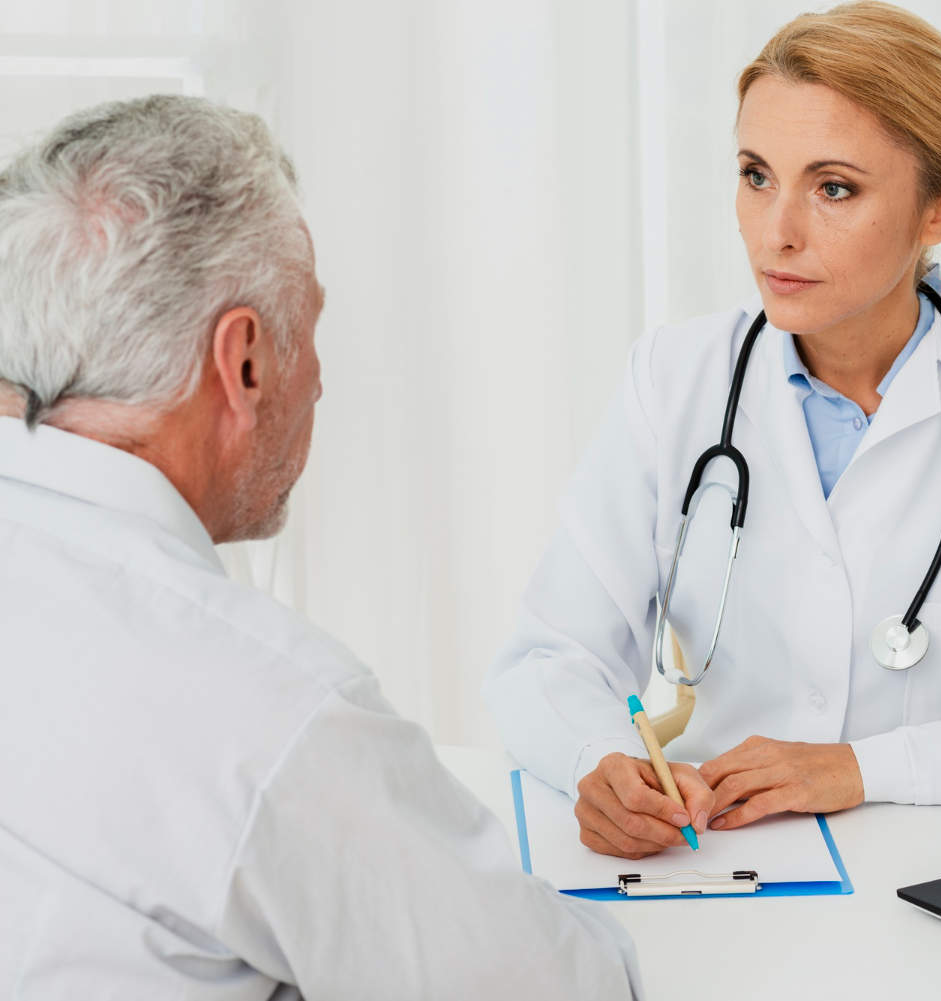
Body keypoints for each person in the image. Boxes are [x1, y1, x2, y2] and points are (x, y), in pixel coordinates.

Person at [486, 1, 941, 861]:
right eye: (757, 174)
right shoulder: (673, 383)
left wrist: (868, 768)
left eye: (834, 188)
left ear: (938, 211)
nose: (776, 231)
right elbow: (546, 660)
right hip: (725, 862)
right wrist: (595, 759)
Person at [0, 95, 639, 999]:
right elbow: (558, 987)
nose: (322, 379)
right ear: (245, 361)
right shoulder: (267, 711)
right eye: (312, 328)